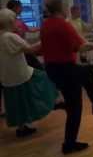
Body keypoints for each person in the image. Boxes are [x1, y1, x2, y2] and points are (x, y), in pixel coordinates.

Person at [41, 0, 93, 154]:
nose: (68, 9)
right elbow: (83, 47)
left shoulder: (46, 25)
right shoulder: (63, 25)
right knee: (84, 80)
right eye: (65, 7)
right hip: (65, 69)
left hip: (53, 69)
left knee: (74, 102)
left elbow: (46, 46)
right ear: (61, 8)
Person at [0, 8, 59, 137]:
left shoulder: (2, 36)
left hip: (7, 75)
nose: (17, 21)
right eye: (15, 19)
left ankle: (22, 128)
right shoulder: (10, 36)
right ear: (9, 21)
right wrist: (47, 39)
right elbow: (30, 49)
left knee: (17, 101)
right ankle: (53, 102)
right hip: (19, 73)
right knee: (42, 79)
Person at [6, 0, 43, 70]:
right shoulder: (11, 22)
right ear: (15, 8)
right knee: (38, 67)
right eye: (20, 7)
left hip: (23, 50)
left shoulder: (18, 21)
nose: (22, 9)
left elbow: (29, 29)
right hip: (19, 50)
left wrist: (42, 28)